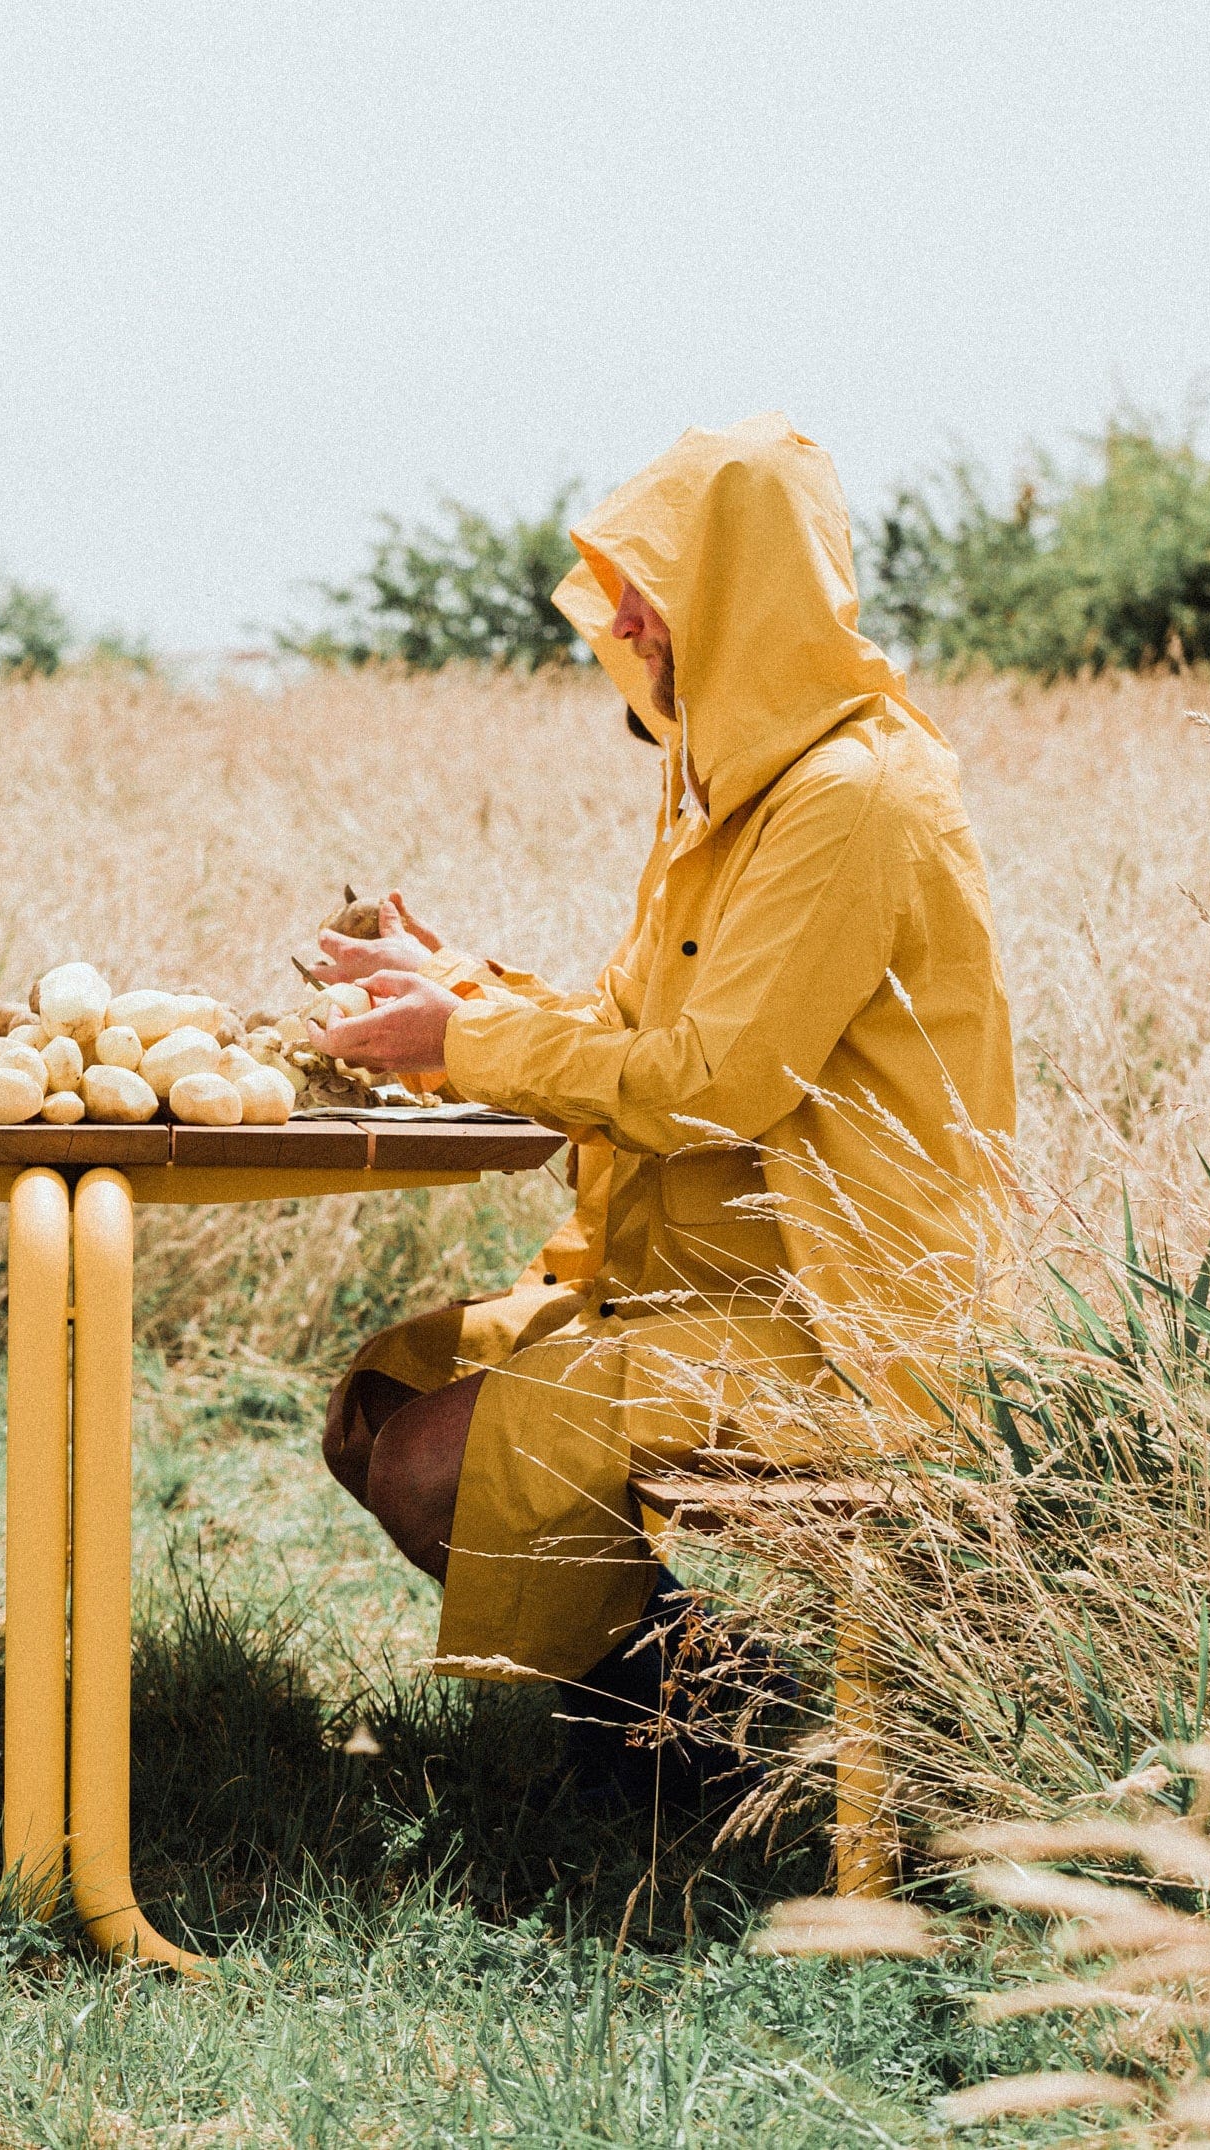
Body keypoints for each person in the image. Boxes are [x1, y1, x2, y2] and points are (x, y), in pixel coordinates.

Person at [309, 413, 1017, 1730]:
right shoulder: (730, 802)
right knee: (381, 1395)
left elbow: (710, 1086)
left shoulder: (850, 794)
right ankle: (716, 1716)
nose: (624, 625)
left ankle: (703, 1744)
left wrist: (452, 1041)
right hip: (706, 1286)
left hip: (843, 1323)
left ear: (741, 597)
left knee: (427, 1462)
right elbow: (619, 1025)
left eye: (651, 590)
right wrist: (448, 981)